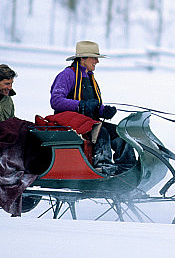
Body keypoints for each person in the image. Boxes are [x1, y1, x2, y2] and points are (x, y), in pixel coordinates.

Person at [50, 41, 134, 171]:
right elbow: (56, 101)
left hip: (89, 122)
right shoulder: (67, 75)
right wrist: (80, 105)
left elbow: (92, 105)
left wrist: (103, 111)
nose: (97, 61)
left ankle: (127, 168)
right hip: (71, 123)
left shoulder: (90, 77)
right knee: (102, 132)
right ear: (83, 58)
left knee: (120, 133)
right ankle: (103, 167)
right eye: (94, 58)